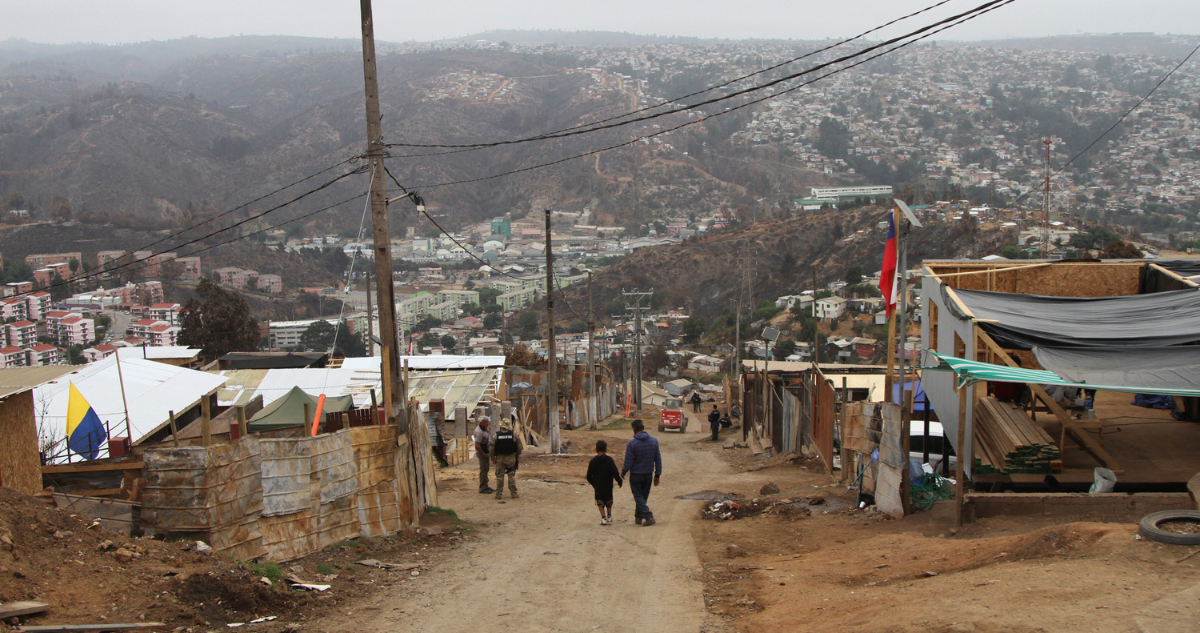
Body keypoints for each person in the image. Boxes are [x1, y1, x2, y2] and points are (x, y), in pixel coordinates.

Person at [621, 419, 662, 526]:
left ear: (634, 430)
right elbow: (658, 459)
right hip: (648, 474)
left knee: (638, 496)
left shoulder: (632, 444)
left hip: (636, 475)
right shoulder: (653, 441)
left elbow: (629, 461)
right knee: (643, 497)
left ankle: (649, 516)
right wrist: (657, 474)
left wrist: (624, 471)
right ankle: (638, 517)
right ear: (643, 428)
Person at [586, 440, 623, 525]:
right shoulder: (609, 460)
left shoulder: (593, 462)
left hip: (598, 486)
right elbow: (615, 472)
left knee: (600, 501)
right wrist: (619, 481)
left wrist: (594, 484)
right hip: (608, 485)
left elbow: (588, 476)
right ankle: (609, 515)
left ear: (596, 449)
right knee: (608, 499)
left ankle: (603, 517)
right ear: (606, 449)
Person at [490, 417, 524, 500]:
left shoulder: (496, 435)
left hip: (500, 458)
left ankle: (498, 494)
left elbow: (492, 447)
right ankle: (513, 493)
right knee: (511, 476)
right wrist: (516, 456)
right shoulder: (513, 435)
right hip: (511, 457)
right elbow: (519, 446)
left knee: (500, 476)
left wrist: (492, 457)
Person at [473, 416, 494, 494]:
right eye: (486, 422)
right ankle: (482, 488)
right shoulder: (479, 432)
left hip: (486, 451)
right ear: (481, 423)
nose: (487, 423)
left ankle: (485, 485)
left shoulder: (485, 429)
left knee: (486, 469)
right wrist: (483, 454)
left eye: (488, 421)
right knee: (483, 470)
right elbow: (477, 445)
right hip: (482, 453)